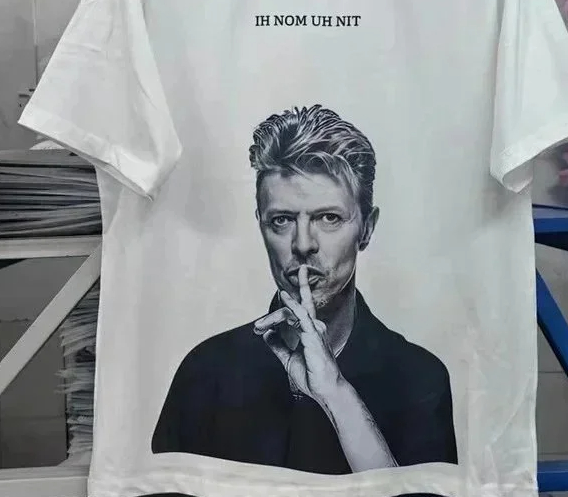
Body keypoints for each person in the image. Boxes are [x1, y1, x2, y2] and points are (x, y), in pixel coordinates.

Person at [152, 105, 457, 474]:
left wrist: (337, 394)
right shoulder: (205, 371)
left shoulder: (419, 377)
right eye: (282, 220)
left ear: (367, 228)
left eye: (329, 218)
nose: (303, 244)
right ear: (261, 226)